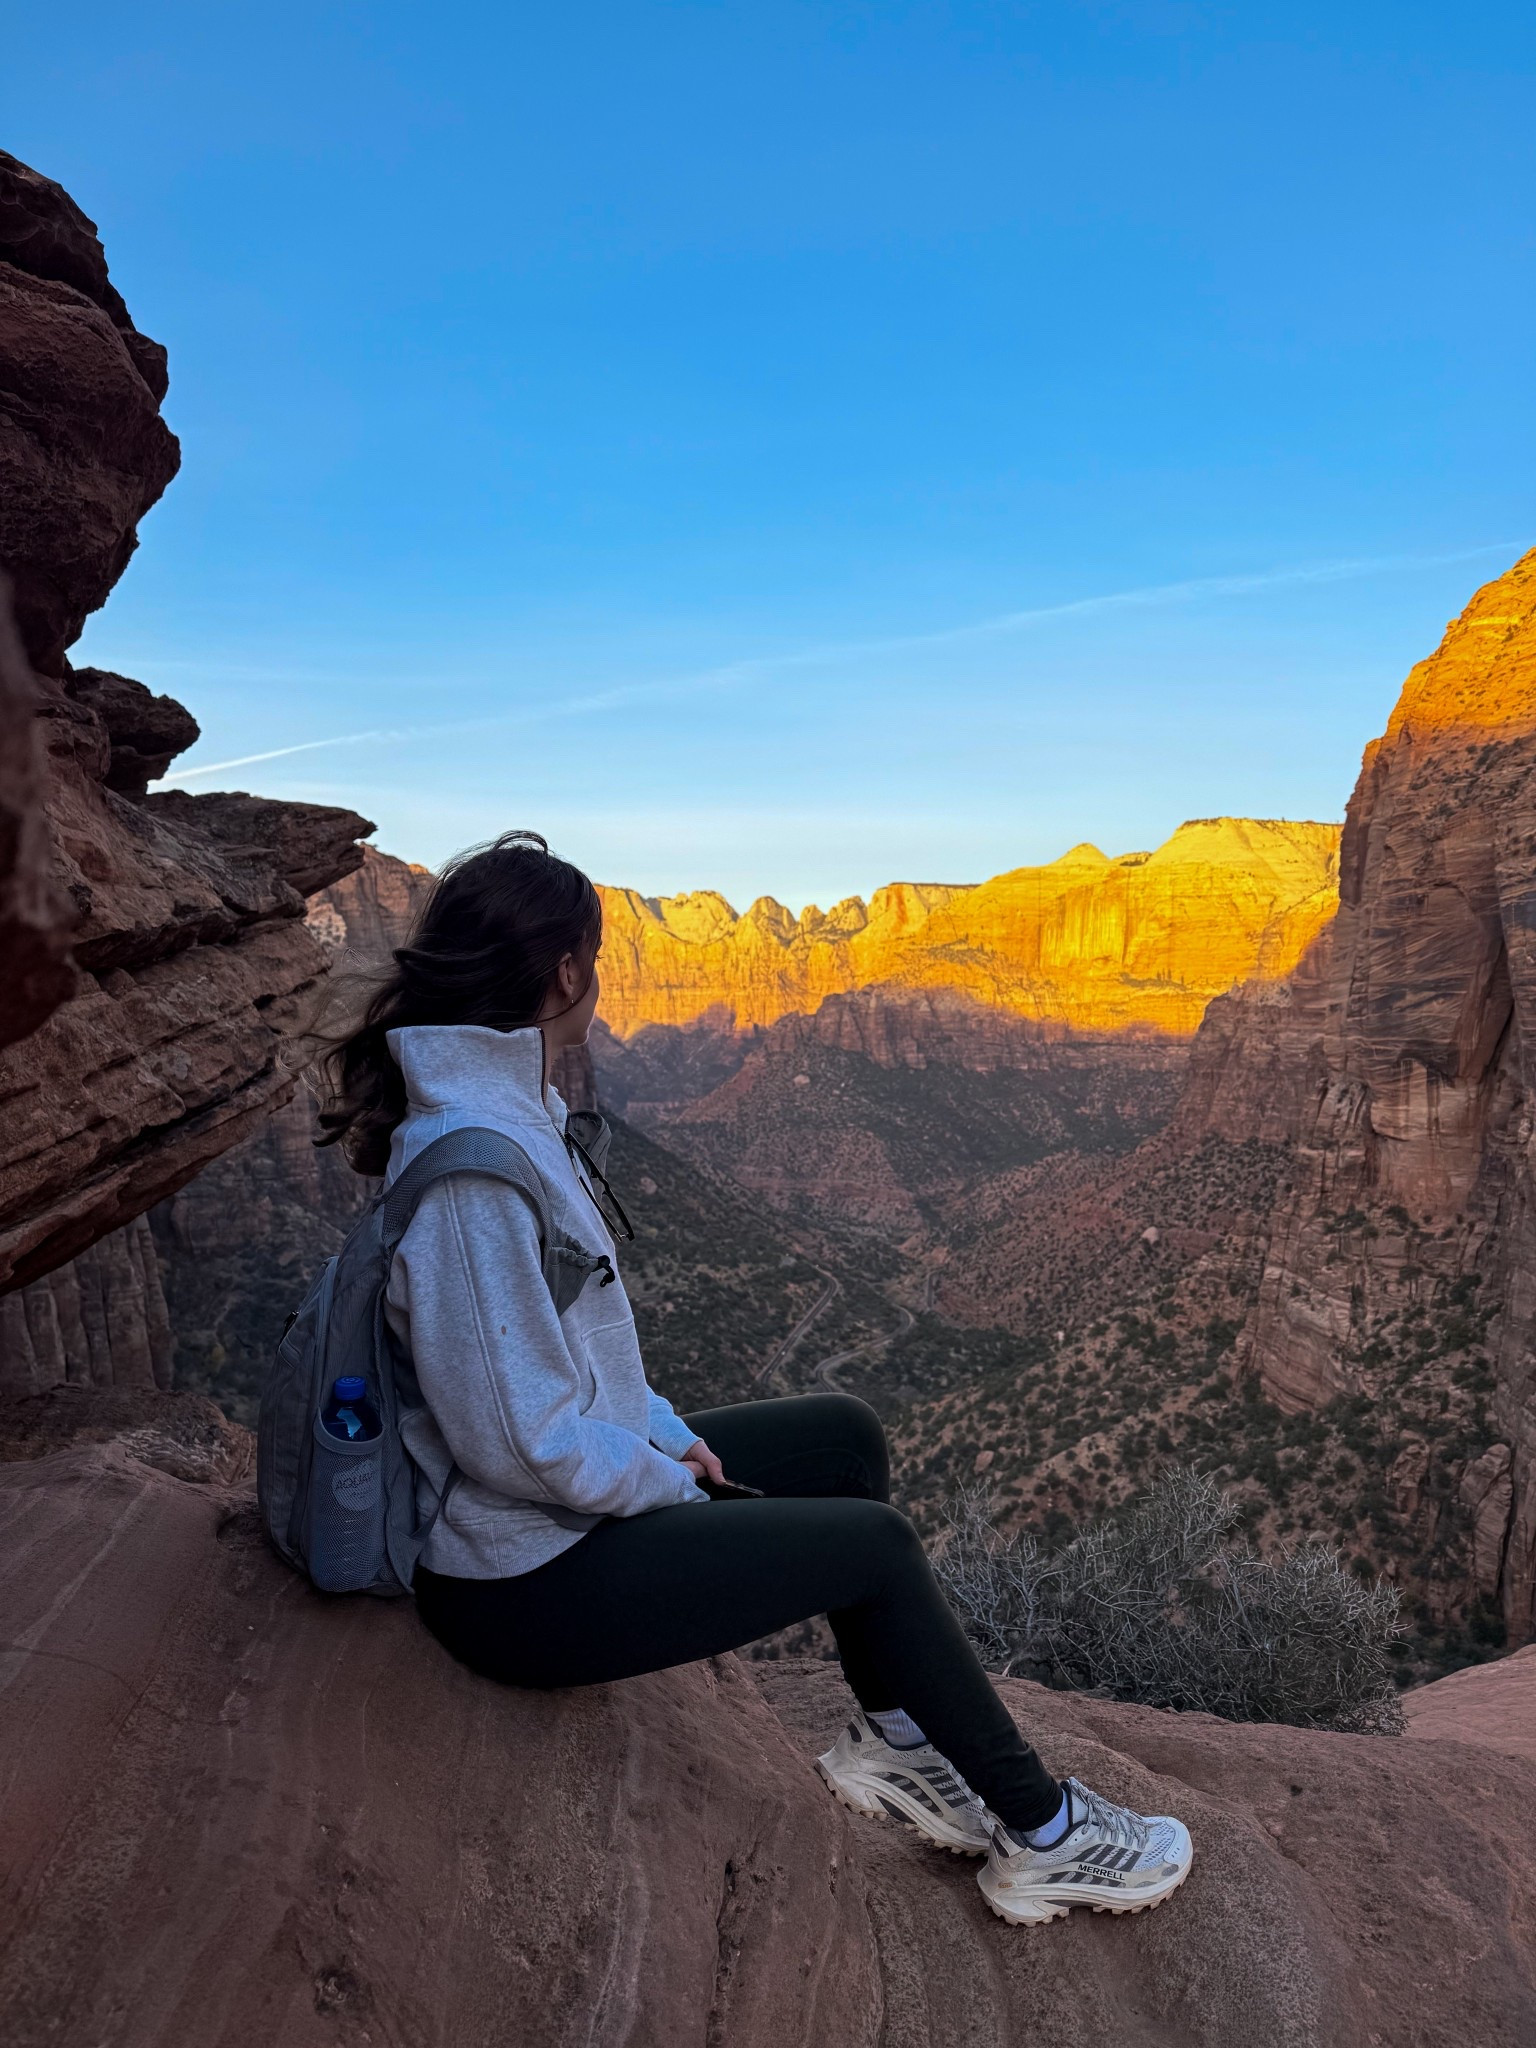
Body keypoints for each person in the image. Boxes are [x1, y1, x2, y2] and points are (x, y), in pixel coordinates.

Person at [317, 830, 1193, 1926]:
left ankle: (899, 1745)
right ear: (568, 973)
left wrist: (669, 1431)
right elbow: (518, 1439)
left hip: (560, 1518)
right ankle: (1045, 1832)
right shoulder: (472, 1173)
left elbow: (583, 1343)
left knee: (842, 1437)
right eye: (601, 958)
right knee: (871, 1549)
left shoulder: (515, 1110)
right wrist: (669, 1485)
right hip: (516, 1583)